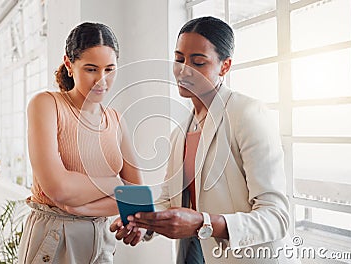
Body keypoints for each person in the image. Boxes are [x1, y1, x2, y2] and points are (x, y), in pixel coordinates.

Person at [111, 16, 300, 264]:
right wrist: (144, 222)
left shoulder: (247, 114)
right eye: (179, 59)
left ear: (225, 66)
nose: (183, 69)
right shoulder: (180, 131)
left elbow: (276, 218)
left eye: (198, 62)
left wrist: (204, 223)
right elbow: (170, 199)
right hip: (197, 255)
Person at [18, 22, 142, 264]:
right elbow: (59, 189)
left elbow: (136, 197)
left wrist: (82, 208)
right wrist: (116, 184)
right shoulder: (46, 105)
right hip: (53, 237)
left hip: (101, 240)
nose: (102, 81)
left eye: (110, 69)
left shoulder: (116, 120)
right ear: (69, 64)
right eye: (91, 69)